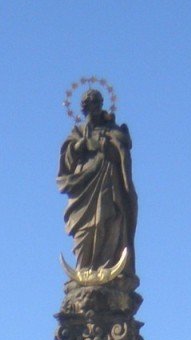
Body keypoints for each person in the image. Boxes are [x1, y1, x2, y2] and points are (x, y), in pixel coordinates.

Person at [57, 87, 138, 275]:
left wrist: (109, 144)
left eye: (97, 103)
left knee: (107, 220)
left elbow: (123, 146)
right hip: (85, 185)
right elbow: (67, 156)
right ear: (84, 109)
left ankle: (106, 267)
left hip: (109, 183)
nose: (93, 108)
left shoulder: (113, 129)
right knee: (85, 230)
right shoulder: (78, 131)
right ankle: (84, 269)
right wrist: (82, 144)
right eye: (89, 105)